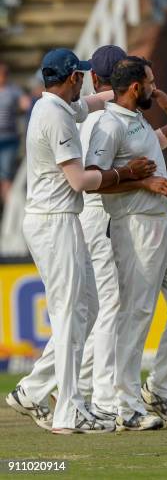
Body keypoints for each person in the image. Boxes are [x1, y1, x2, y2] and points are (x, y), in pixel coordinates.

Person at [5, 48, 155, 434]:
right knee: (72, 315)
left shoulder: (53, 104)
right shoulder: (56, 117)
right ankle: (68, 410)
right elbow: (81, 181)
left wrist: (130, 93)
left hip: (58, 220)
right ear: (72, 77)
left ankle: (33, 391)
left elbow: (89, 102)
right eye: (81, 77)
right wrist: (126, 173)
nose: (86, 83)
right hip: (55, 222)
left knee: (84, 308)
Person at [86, 56, 167, 431]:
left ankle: (158, 389)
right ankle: (123, 403)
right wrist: (143, 183)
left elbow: (157, 143)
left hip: (166, 221)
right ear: (135, 88)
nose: (156, 89)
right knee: (137, 313)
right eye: (151, 83)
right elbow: (94, 179)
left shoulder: (135, 119)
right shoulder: (107, 126)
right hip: (135, 224)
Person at [0, 62, 31, 204]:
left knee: (6, 175)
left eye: (5, 73)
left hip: (9, 139)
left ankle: (7, 210)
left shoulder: (13, 90)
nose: (3, 76)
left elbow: (26, 104)